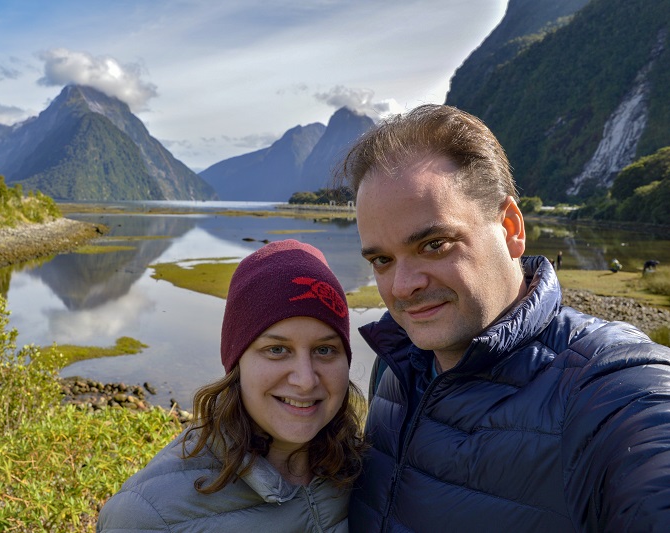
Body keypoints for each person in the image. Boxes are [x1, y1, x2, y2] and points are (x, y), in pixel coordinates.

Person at [340, 104, 670, 531]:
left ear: (511, 228)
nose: (402, 287)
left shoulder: (610, 389)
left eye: (435, 244)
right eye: (382, 259)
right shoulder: (396, 366)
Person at [96, 239, 366, 532]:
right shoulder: (147, 516)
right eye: (277, 349)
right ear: (236, 363)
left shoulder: (361, 466)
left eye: (324, 350)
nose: (305, 380)